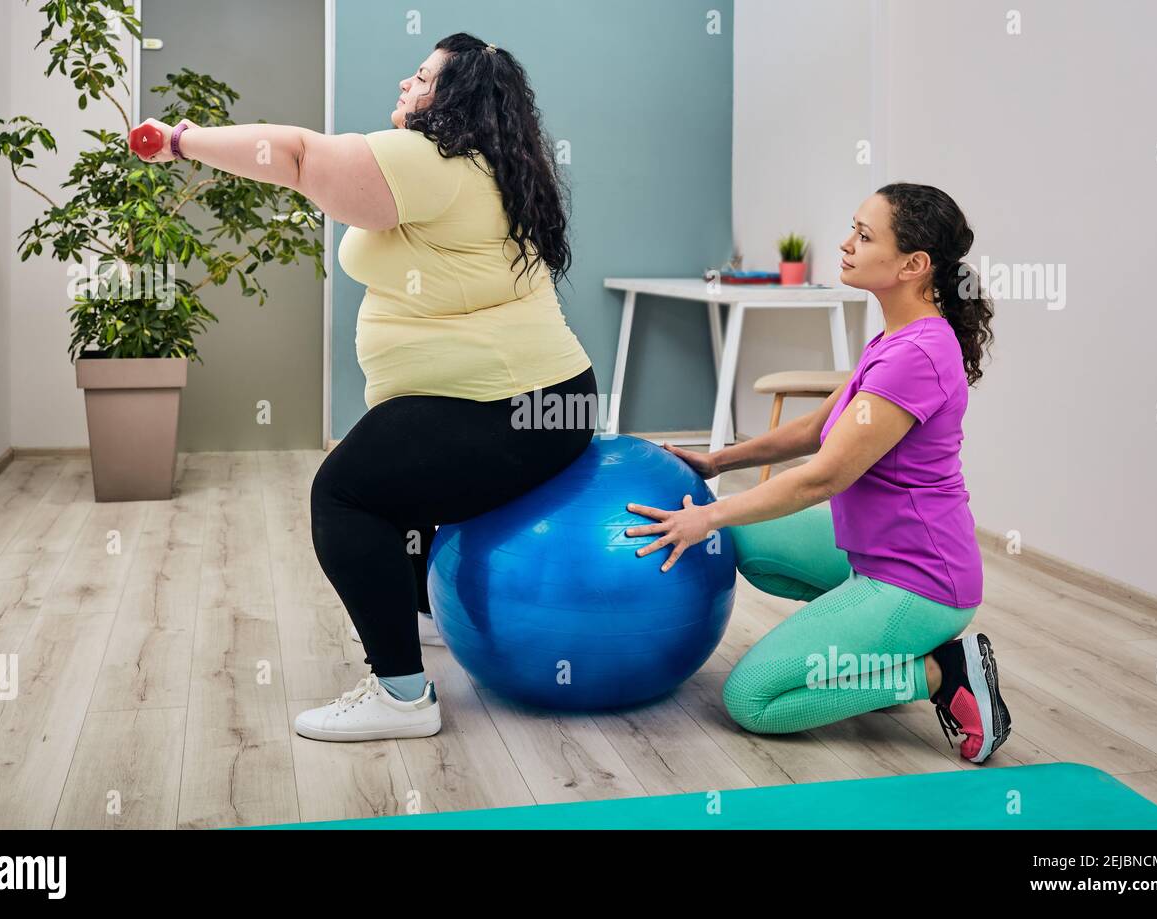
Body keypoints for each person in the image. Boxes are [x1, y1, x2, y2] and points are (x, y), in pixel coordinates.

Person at [133, 32, 596, 741]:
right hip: (544, 403)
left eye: (421, 78)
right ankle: (419, 622)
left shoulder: (432, 162)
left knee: (345, 492)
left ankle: (402, 694)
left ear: (456, 101)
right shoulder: (494, 168)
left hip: (513, 408)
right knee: (391, 468)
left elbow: (294, 156)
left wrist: (182, 141)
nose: (405, 87)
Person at [625, 184, 1011, 764]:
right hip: (873, 552)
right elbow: (814, 430)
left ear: (914, 264)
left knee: (752, 700)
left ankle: (937, 672)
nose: (845, 243)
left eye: (864, 234)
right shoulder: (898, 336)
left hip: (919, 582)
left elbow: (819, 478)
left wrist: (705, 514)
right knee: (745, 537)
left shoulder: (917, 355)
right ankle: (880, 648)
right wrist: (716, 461)